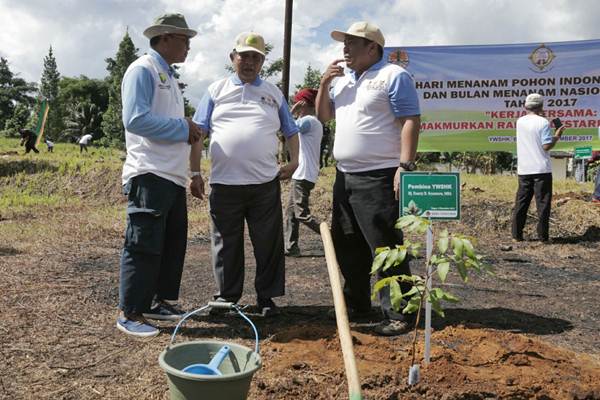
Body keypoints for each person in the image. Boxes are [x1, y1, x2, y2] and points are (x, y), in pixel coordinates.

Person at [316, 21, 421, 336]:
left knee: (385, 245)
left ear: (372, 48)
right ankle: (358, 303)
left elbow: (410, 121)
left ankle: (400, 313)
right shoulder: (343, 81)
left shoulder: (393, 76)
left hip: (379, 176)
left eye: (352, 43)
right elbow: (324, 116)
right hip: (345, 176)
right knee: (348, 243)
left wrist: (405, 165)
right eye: (344, 43)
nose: (345, 49)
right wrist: (323, 84)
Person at [193, 32, 299, 316]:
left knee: (268, 243)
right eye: (244, 56)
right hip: (224, 183)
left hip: (264, 183)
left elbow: (291, 130)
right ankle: (226, 297)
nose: (250, 62)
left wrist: (296, 161)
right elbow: (198, 132)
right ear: (233, 58)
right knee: (226, 243)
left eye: (256, 57)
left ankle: (267, 298)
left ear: (263, 61)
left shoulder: (273, 93)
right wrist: (194, 172)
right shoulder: (216, 90)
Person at [116, 13, 204, 337]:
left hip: (170, 174)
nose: (189, 47)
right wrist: (184, 127)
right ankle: (130, 312)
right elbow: (136, 120)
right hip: (150, 171)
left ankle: (153, 301)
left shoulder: (167, 75)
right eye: (184, 40)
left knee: (168, 243)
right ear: (165, 37)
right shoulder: (143, 70)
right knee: (143, 243)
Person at [511, 93, 565, 243]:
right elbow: (546, 146)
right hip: (541, 170)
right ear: (541, 106)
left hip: (524, 169)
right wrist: (557, 135)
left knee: (521, 203)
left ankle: (516, 235)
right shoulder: (543, 122)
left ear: (525, 106)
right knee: (542, 204)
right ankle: (543, 237)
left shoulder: (519, 121)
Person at [284, 88, 323, 257]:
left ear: (303, 104)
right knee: (291, 213)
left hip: (303, 174)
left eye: (296, 102)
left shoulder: (308, 121)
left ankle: (332, 237)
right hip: (302, 173)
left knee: (301, 214)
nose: (294, 105)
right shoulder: (311, 121)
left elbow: (286, 127)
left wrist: (290, 113)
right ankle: (290, 247)